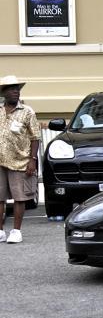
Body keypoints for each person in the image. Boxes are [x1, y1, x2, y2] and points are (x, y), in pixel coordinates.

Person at [0, 75, 41, 244]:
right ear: (3, 92)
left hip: (20, 161)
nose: (15, 91)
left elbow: (35, 137)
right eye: (11, 88)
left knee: (20, 197)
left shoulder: (27, 111)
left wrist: (32, 159)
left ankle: (16, 231)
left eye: (17, 88)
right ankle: (0, 231)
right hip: (0, 161)